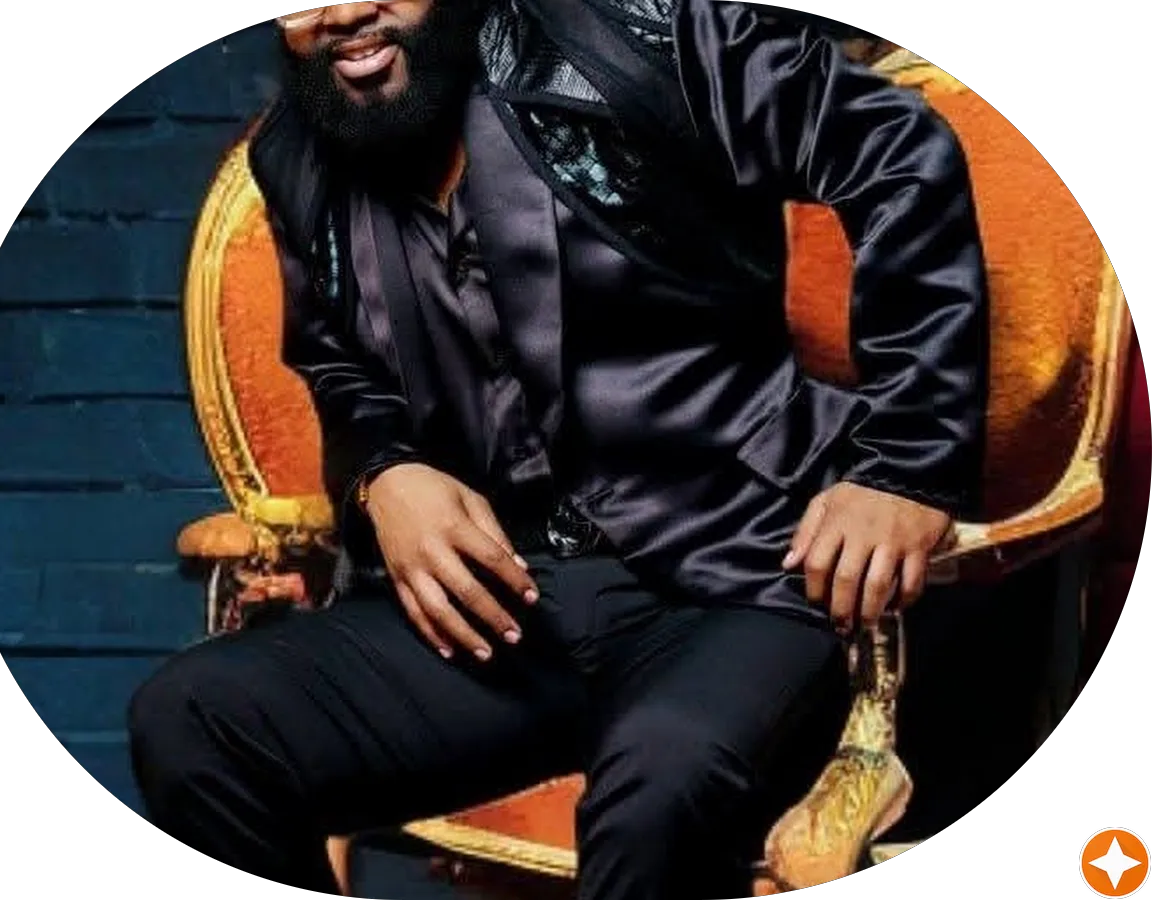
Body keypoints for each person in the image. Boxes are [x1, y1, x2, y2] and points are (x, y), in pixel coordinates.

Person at [128, 2, 989, 897]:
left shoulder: (643, 35)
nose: (344, 13)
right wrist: (385, 473)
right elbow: (338, 366)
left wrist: (908, 461)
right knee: (196, 720)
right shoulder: (296, 155)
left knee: (657, 792)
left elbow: (895, 148)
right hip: (508, 611)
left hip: (741, 575)